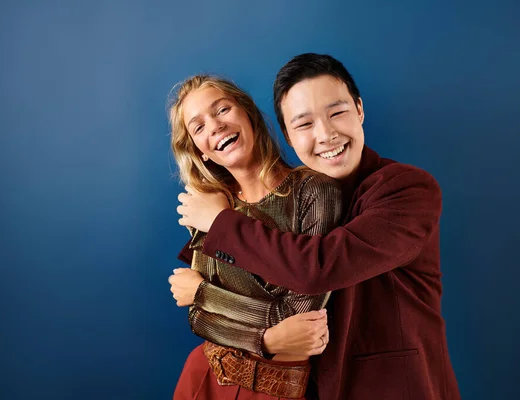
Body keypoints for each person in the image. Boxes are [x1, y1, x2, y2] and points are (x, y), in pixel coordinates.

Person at [176, 54, 461, 400]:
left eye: (337, 112)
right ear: (288, 136)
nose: (326, 135)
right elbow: (219, 310)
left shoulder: (406, 189)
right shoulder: (262, 201)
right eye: (305, 124)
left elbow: (319, 267)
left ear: (359, 109)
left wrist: (218, 237)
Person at [167, 74, 343, 399]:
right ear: (200, 151)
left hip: (276, 387)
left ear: (247, 114)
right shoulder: (211, 204)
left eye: (221, 110)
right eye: (199, 127)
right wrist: (270, 337)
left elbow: (299, 318)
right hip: (203, 377)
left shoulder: (314, 192)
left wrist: (203, 293)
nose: (215, 126)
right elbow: (199, 320)